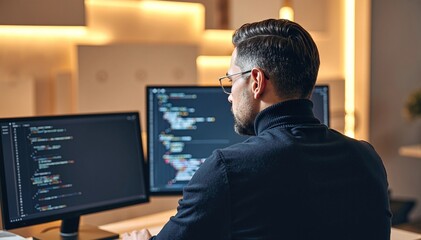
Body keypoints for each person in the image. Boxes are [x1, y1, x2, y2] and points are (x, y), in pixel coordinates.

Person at [123, 18, 391, 240]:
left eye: (231, 79)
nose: (229, 94)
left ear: (256, 81)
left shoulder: (226, 169)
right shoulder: (366, 158)